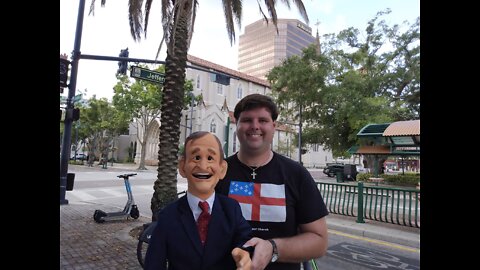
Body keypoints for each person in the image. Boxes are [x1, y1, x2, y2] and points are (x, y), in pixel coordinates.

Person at [215, 94, 329, 270]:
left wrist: (273, 248)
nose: (255, 126)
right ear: (236, 124)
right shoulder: (216, 172)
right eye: (246, 120)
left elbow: (319, 242)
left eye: (262, 120)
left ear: (273, 126)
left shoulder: (296, 174)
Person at [144, 131, 253, 270]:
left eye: (210, 158)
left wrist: (243, 252)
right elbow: (154, 263)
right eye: (196, 157)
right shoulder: (168, 216)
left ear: (222, 169)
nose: (202, 166)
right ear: (182, 167)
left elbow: (245, 238)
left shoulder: (231, 208)